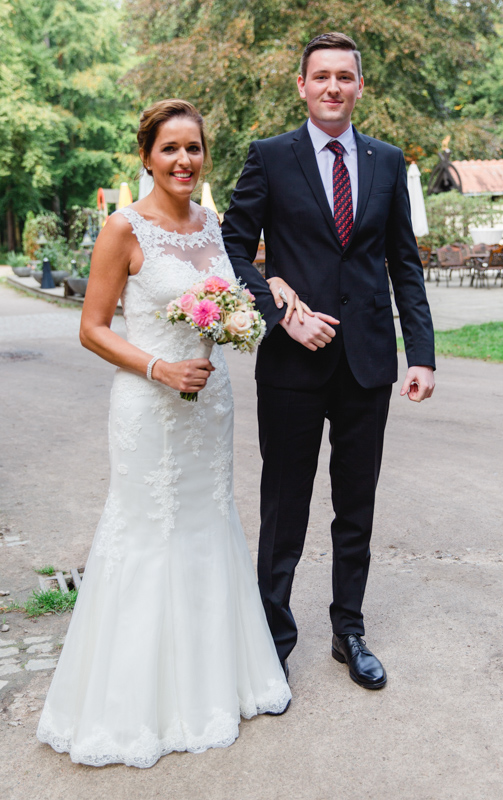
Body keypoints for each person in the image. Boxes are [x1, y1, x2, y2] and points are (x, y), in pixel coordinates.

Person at [36, 99, 291, 768]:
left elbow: (234, 294)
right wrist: (158, 367)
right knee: (149, 529)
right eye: (170, 149)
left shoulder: (212, 225)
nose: (183, 160)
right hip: (148, 405)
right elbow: (91, 328)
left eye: (194, 149)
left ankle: (215, 682)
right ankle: (135, 702)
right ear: (146, 155)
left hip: (211, 405)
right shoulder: (124, 229)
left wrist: (249, 313)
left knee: (209, 523)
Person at [222, 32, 436, 690]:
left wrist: (421, 354)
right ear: (301, 85)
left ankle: (349, 630)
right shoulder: (269, 157)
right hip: (290, 363)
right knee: (284, 507)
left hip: (367, 363)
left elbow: (402, 261)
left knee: (356, 505)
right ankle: (272, 641)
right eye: (321, 77)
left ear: (359, 87)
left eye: (345, 77)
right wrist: (279, 308)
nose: (333, 87)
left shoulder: (385, 161)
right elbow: (230, 248)